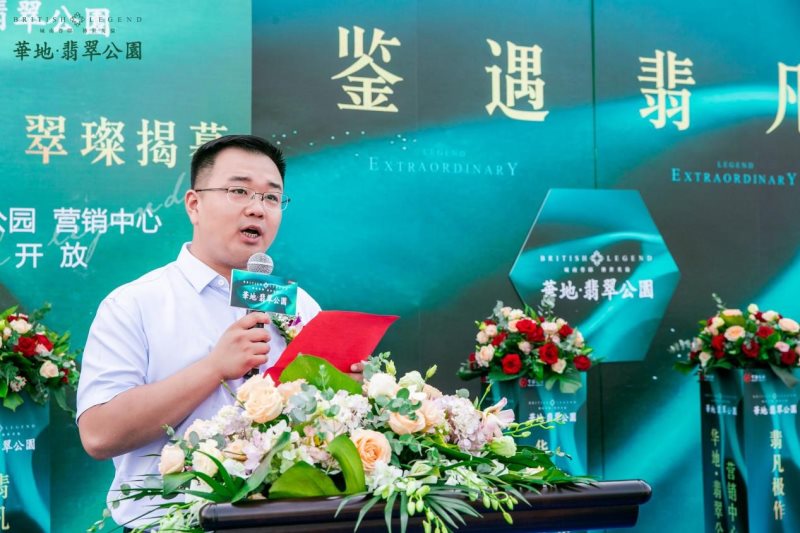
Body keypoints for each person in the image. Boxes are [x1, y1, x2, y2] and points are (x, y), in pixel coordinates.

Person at [76, 135, 357, 529]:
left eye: (272, 197)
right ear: (194, 204)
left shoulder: (297, 306)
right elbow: (99, 434)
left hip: (288, 522)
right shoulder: (135, 303)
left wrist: (346, 391)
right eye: (239, 191)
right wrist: (214, 368)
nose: (257, 208)